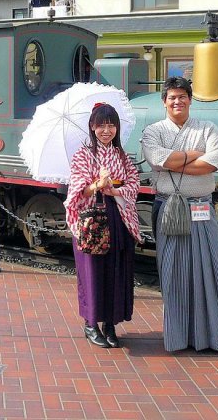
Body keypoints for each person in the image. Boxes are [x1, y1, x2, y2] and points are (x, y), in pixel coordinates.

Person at [140, 76, 218, 355]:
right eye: (172, 97)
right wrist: (193, 155)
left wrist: (173, 162)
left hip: (200, 206)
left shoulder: (208, 128)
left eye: (182, 96)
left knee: (211, 268)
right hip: (169, 208)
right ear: (164, 101)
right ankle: (178, 336)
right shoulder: (153, 131)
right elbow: (155, 160)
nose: (177, 101)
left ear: (190, 100)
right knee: (173, 272)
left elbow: (213, 163)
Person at [64, 102, 143, 348]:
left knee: (117, 271)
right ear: (92, 127)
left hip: (118, 218)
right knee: (92, 272)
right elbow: (77, 190)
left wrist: (115, 188)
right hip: (92, 222)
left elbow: (134, 183)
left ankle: (110, 323)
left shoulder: (122, 156)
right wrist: (97, 185)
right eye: (101, 125)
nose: (107, 130)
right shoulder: (83, 154)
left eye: (111, 125)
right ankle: (90, 324)